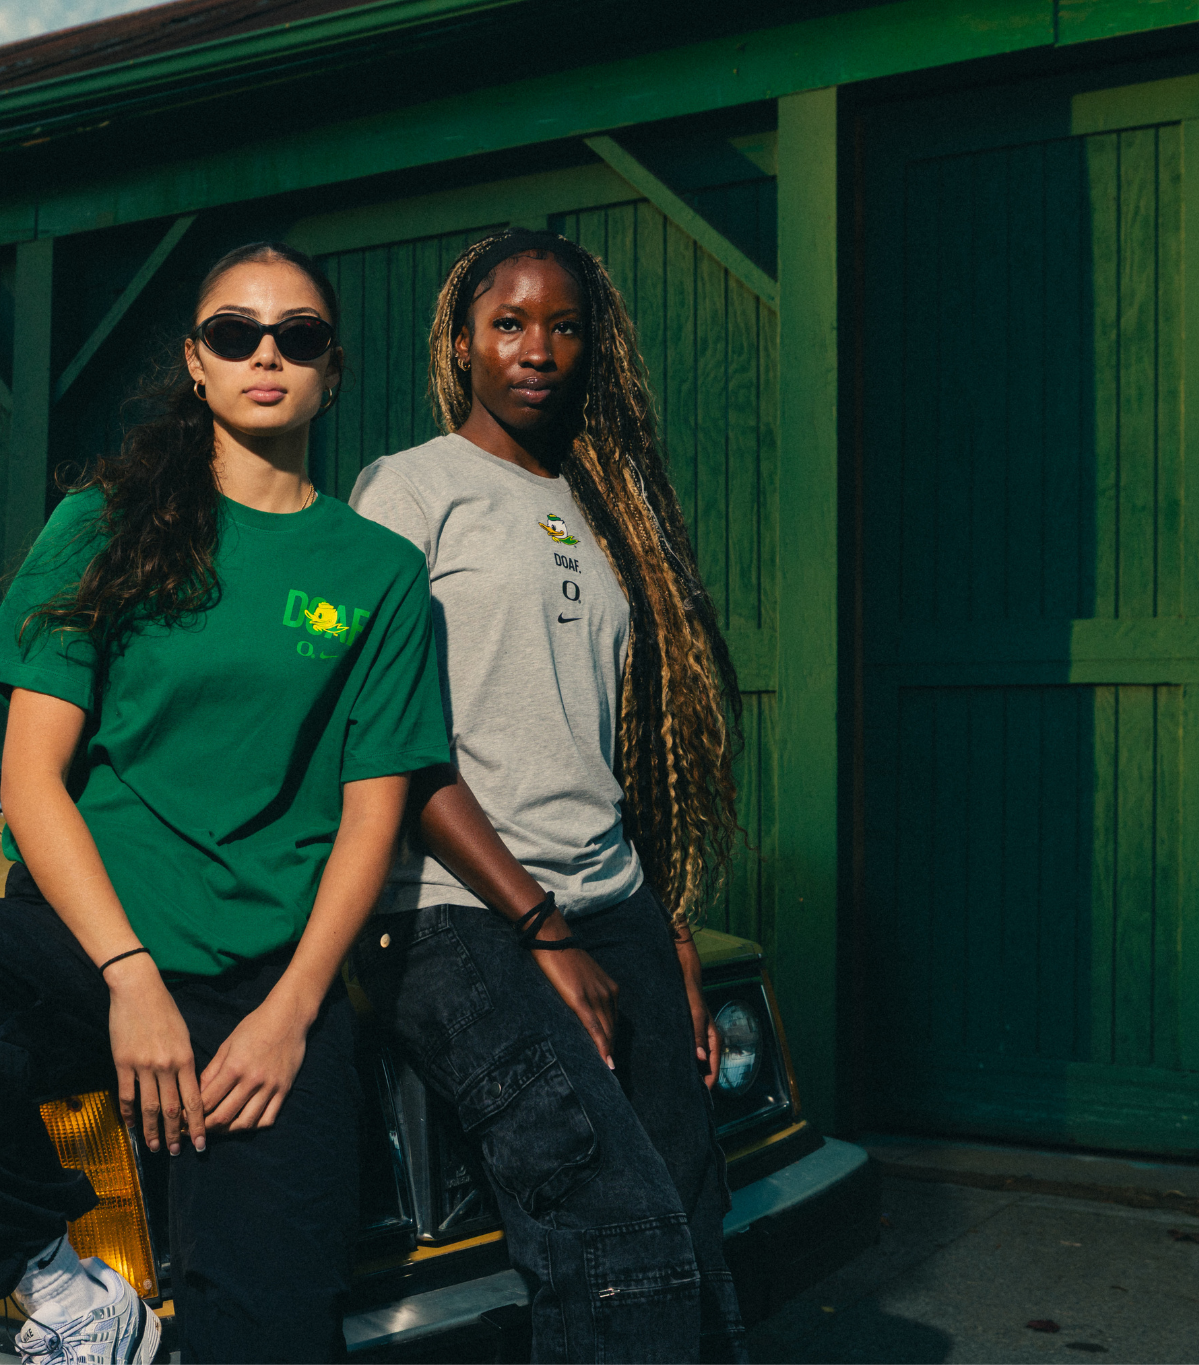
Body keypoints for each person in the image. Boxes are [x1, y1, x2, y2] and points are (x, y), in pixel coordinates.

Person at [0, 242, 451, 1365]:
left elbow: (370, 817)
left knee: (271, 1338)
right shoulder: (104, 524)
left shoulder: (379, 572)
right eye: (234, 334)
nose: (265, 355)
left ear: (332, 369)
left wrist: (292, 1012)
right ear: (195, 362)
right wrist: (128, 977)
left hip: (257, 991)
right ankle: (61, 1288)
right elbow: (30, 778)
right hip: (89, 946)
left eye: (296, 337)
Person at [347, 228, 749, 1364]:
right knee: (613, 1231)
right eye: (509, 323)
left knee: (691, 1211)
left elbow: (618, 741)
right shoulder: (410, 489)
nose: (537, 349)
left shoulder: (607, 506)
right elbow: (386, 733)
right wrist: (541, 928)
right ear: (460, 342)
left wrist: (666, 925)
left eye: (563, 326)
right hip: (457, 911)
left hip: (610, 900)